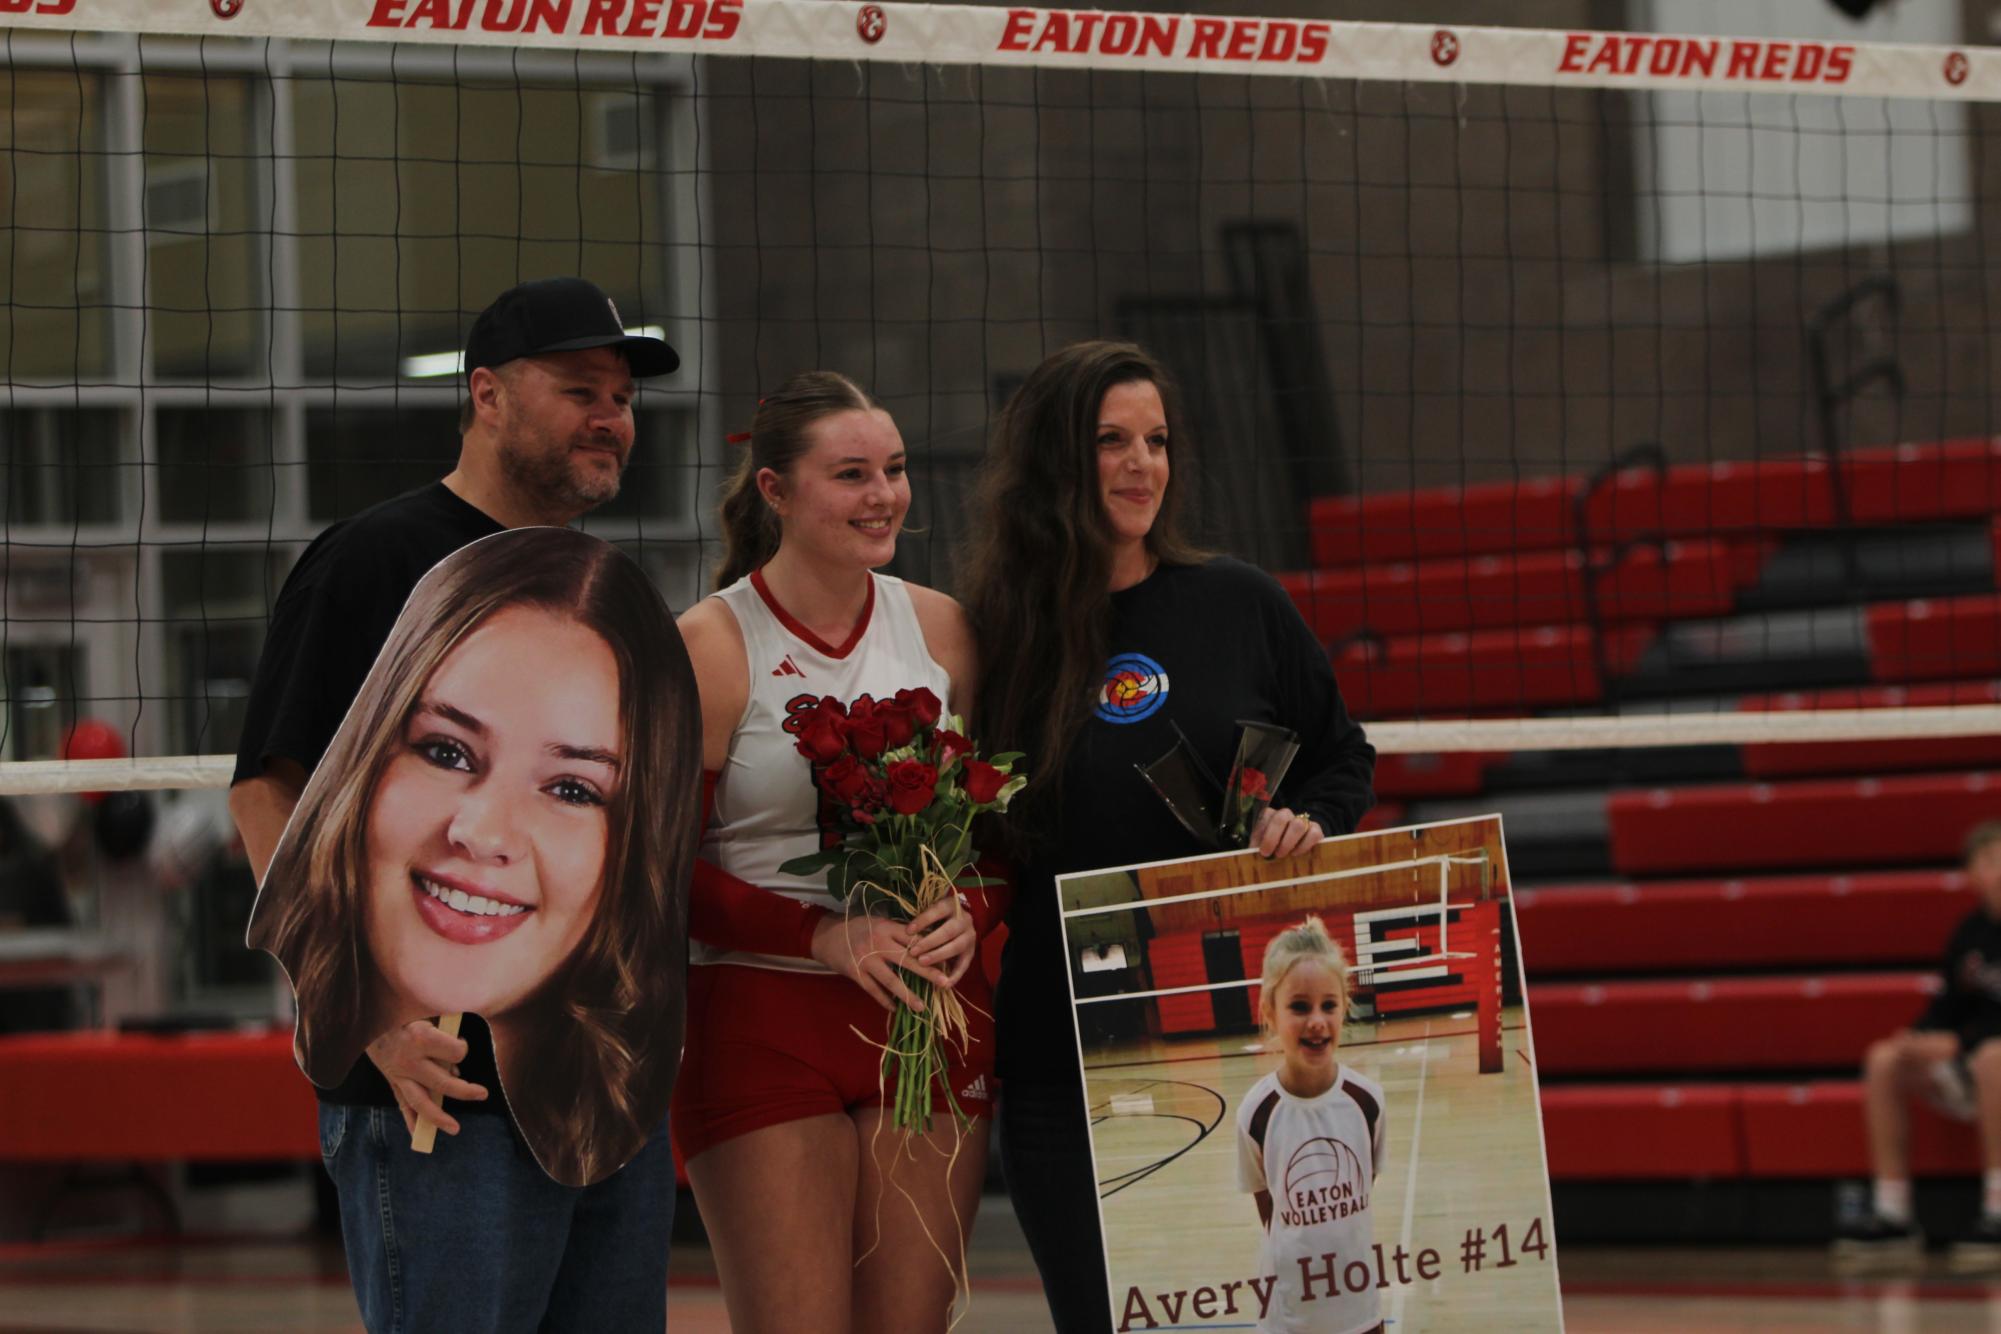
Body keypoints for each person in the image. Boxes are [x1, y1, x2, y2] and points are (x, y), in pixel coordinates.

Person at [229, 276, 683, 1332]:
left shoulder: (603, 586)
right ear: (486, 394)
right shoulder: (373, 558)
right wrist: (362, 1001)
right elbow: (266, 790)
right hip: (440, 1092)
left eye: (621, 397)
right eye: (581, 389)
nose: (611, 417)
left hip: (601, 1085)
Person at [959, 338, 1377, 1333]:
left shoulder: (1238, 603)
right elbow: (970, 838)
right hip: (1067, 1053)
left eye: (1156, 440)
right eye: (1111, 440)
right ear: (1057, 458)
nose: (1142, 462)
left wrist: (1309, 816)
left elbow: (1341, 754)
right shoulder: (994, 635)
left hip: (1228, 1032)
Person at [672, 370, 999, 1333]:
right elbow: (650, 877)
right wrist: (818, 935)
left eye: (892, 471)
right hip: (763, 1014)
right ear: (774, 490)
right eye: (851, 474)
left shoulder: (941, 629)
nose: (884, 495)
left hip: (926, 1015)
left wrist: (971, 910)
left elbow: (1000, 835)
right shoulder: (708, 645)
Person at [249, 527, 698, 1189]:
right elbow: (260, 789)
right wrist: (360, 1014)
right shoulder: (361, 564)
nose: (482, 833)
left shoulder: (617, 1104)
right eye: (446, 752)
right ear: (364, 761)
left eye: (572, 789)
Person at [1837, 819, 2001, 1273]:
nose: (2000, 869)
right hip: (1972, 1060)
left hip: (1989, 1059)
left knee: (1993, 1058)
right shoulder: (1970, 932)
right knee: (1885, 1058)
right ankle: (1893, 1215)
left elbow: (1971, 1034)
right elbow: (1947, 1004)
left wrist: (1959, 1043)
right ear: (1971, 875)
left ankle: (1998, 1208)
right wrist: (1918, 1037)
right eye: (1989, 861)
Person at [1236, 917, 1386, 1334]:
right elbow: (1271, 1212)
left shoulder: (1368, 1101)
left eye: (1329, 1005)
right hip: (1289, 1312)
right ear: (1270, 1012)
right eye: (1299, 1007)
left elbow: (1362, 1188)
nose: (1317, 1021)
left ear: (1345, 1007)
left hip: (1359, 1304)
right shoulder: (1256, 1113)